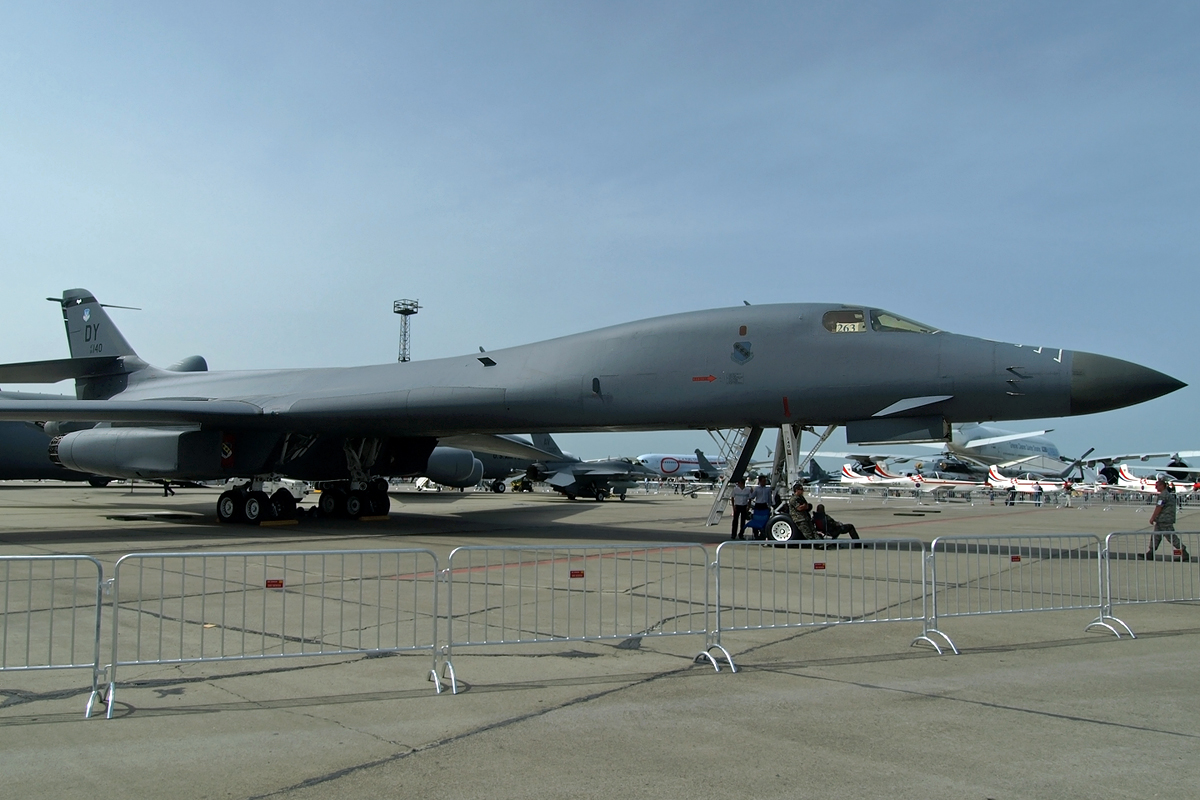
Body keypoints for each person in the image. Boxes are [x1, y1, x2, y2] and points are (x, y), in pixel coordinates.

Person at [1144, 477, 1190, 560]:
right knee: (1156, 536)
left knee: (1171, 537)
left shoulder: (1163, 495)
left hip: (1164, 520)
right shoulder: (1167, 494)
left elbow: (1159, 507)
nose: (1156, 488)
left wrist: (1152, 518)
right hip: (1162, 520)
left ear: (1162, 486)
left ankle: (1184, 552)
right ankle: (1150, 553)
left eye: (1157, 486)